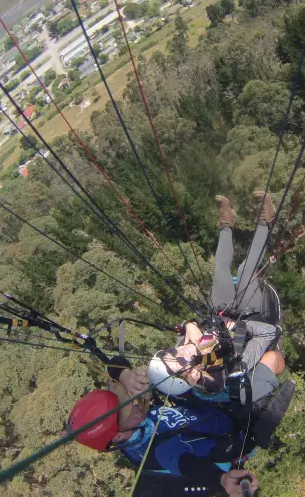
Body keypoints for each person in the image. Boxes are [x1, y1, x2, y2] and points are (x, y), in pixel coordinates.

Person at [147, 191, 285, 403]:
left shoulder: (186, 344)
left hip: (223, 310)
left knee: (221, 269)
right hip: (251, 316)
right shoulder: (229, 372)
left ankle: (226, 225)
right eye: (179, 358)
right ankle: (265, 222)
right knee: (245, 269)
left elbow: (187, 329)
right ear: (192, 376)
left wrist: (190, 324)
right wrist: (237, 330)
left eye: (171, 350)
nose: (180, 348)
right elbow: (269, 333)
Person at [67, 360, 259, 497]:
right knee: (270, 362)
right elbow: (188, 465)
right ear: (118, 436)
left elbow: (113, 363)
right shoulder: (158, 450)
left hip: (214, 406)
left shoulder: (134, 425)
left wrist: (125, 376)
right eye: (125, 407)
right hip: (239, 427)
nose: (134, 403)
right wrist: (223, 480)